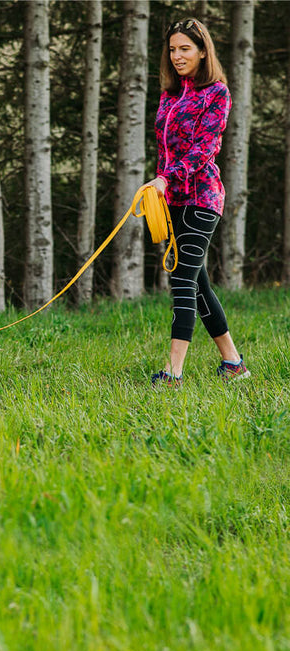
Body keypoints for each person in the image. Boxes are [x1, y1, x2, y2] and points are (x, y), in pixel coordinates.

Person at [144, 18, 250, 388]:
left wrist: (165, 178)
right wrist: (160, 186)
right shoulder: (169, 94)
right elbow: (165, 149)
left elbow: (205, 150)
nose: (177, 56)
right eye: (172, 49)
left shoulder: (216, 93)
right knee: (198, 283)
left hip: (203, 198)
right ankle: (234, 363)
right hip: (171, 200)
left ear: (203, 50)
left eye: (185, 48)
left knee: (182, 281)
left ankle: (173, 373)